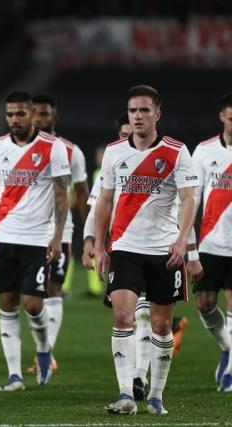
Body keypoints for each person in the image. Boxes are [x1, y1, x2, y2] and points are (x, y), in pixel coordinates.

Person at [94, 85, 198, 415]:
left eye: (143, 110)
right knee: (123, 316)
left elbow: (188, 199)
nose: (137, 116)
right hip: (125, 246)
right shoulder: (113, 152)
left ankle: (156, 395)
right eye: (132, 111)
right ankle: (126, 394)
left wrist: (183, 240)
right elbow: (105, 200)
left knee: (162, 326)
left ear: (157, 114)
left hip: (164, 249)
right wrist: (99, 245)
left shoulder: (176, 151)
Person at [0, 91, 70, 391]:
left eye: (20, 114)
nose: (14, 120)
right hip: (5, 237)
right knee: (7, 304)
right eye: (10, 115)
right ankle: (15, 375)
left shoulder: (53, 147)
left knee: (33, 304)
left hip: (37, 239)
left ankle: (44, 349)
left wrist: (57, 237)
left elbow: (62, 194)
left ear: (33, 114)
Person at [27, 94, 89, 374]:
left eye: (45, 114)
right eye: (36, 114)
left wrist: (91, 235)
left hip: (59, 233)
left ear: (55, 117)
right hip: (24, 233)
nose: (40, 119)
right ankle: (42, 350)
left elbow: (81, 192)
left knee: (52, 288)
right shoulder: (16, 148)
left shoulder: (70, 151)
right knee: (28, 296)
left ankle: (46, 354)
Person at [191, 93, 232, 392]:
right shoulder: (204, 152)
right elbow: (191, 198)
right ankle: (227, 347)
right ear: (222, 117)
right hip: (209, 244)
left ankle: (230, 372)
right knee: (205, 305)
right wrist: (188, 243)